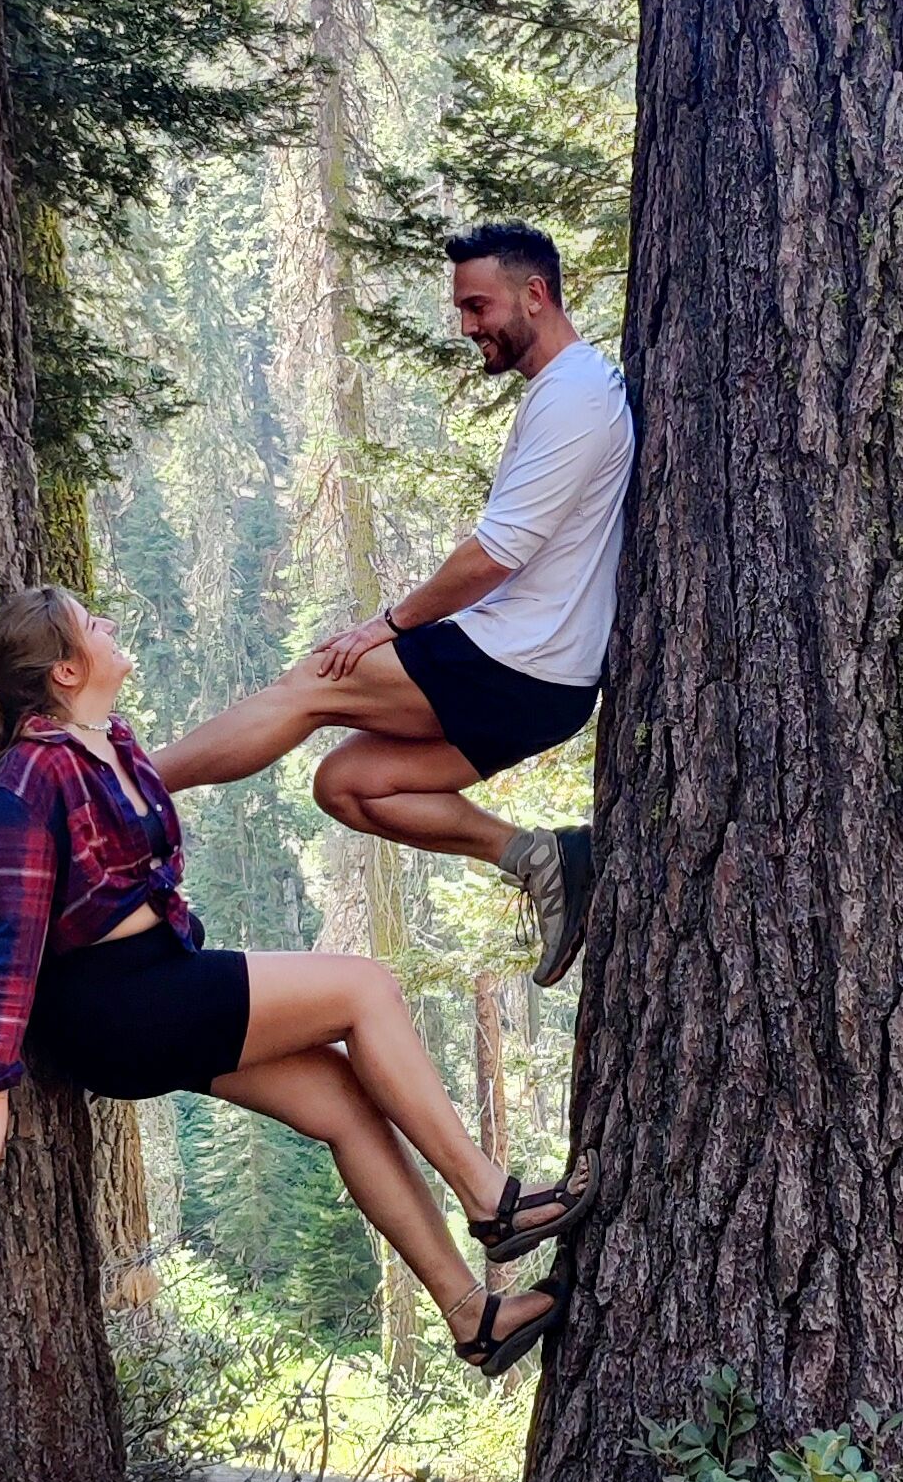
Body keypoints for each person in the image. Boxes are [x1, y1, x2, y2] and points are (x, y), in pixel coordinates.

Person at [0, 583, 591, 1374]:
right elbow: (9, 937)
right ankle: (494, 1200)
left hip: (156, 983)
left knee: (347, 1106)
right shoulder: (29, 778)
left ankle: (473, 1317)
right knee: (363, 987)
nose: (110, 625)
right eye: (92, 624)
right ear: (67, 670)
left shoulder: (113, 743)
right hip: (115, 1005)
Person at [153, 220, 632, 987]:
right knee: (347, 786)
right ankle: (542, 858)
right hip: (545, 680)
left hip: (521, 660)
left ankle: (127, 784)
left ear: (535, 295)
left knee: (314, 684)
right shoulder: (567, 391)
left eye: (479, 307)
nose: (469, 326)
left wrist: (390, 624)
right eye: (462, 312)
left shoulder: (573, 395)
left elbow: (494, 555)